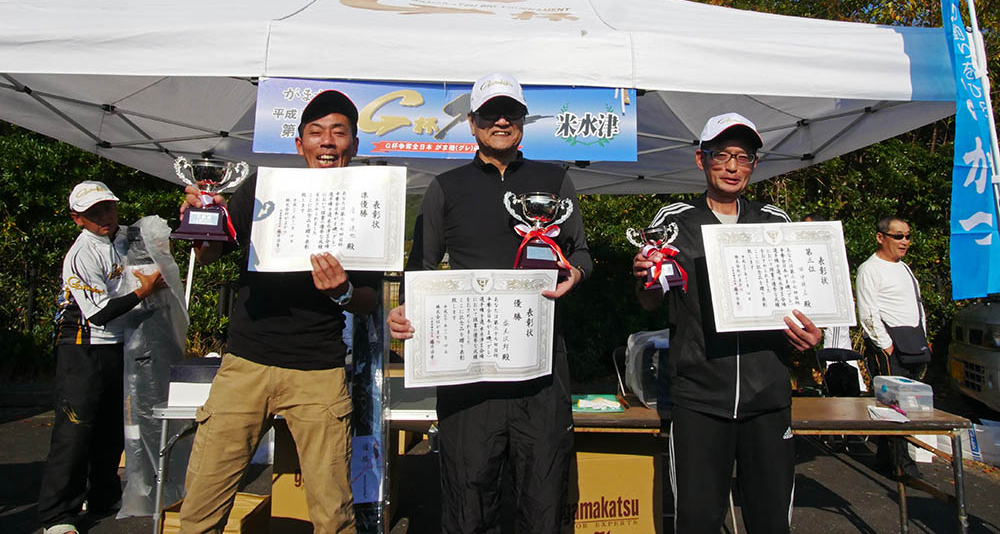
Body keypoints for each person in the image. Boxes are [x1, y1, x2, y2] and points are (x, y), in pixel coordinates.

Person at [387, 72, 592, 533]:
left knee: (542, 498)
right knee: (469, 497)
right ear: (472, 123)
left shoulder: (554, 180)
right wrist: (403, 310)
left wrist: (576, 274)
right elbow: (420, 268)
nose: (501, 121)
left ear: (523, 121)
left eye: (510, 113)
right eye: (489, 114)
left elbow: (581, 253)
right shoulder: (446, 187)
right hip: (470, 372)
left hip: (540, 368)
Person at [177, 90, 380, 533]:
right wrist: (201, 221)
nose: (328, 141)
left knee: (334, 514)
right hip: (245, 363)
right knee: (202, 506)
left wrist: (343, 291)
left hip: (319, 370)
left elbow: (371, 299)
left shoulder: (368, 201)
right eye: (317, 132)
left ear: (354, 144)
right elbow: (211, 254)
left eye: (339, 132)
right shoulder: (262, 187)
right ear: (300, 143)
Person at [632, 113, 821, 534]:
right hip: (699, 399)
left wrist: (812, 333)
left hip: (768, 399)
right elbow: (649, 301)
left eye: (743, 157)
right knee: (698, 520)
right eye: (722, 155)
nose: (733, 167)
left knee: (771, 522)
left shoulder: (774, 222)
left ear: (754, 164)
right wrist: (643, 276)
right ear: (701, 159)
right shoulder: (673, 223)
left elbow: (803, 301)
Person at [39, 181, 167, 534]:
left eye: (108, 207)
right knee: (76, 429)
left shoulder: (124, 238)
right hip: (82, 345)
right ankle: (57, 515)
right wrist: (144, 291)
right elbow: (97, 313)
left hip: (118, 343)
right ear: (77, 219)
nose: (104, 217)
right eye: (93, 213)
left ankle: (102, 495)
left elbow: (156, 245)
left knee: (112, 424)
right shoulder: (81, 254)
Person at [856, 216, 928, 476]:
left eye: (907, 236)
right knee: (893, 405)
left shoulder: (905, 268)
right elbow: (868, 311)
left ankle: (888, 460)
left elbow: (916, 304)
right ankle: (901, 464)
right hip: (889, 347)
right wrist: (885, 345)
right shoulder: (870, 269)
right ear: (881, 237)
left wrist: (922, 335)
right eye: (898, 236)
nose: (904, 241)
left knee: (909, 404)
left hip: (912, 343)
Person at [804, 212, 866, 393]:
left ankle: (851, 387)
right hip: (817, 305)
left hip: (835, 308)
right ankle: (838, 384)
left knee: (837, 348)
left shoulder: (830, 249)